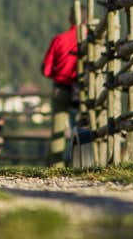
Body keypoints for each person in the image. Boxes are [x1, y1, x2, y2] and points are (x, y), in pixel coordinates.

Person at [41, 11, 80, 167]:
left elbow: (46, 70)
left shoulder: (59, 39)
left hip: (60, 88)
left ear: (70, 19)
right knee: (80, 127)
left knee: (58, 128)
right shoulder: (92, 41)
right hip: (81, 90)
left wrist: (58, 75)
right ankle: (77, 164)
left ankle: (56, 168)